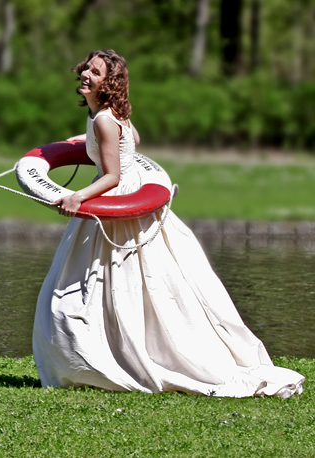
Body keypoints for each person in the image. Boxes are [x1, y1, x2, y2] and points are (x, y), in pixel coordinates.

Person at [31, 49, 305, 398]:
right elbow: (133, 144)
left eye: (95, 72)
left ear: (108, 83)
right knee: (138, 286)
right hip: (131, 199)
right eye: (86, 68)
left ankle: (105, 356)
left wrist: (77, 196)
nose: (85, 73)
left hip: (119, 206)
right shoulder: (111, 115)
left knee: (89, 288)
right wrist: (91, 145)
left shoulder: (103, 120)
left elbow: (113, 175)